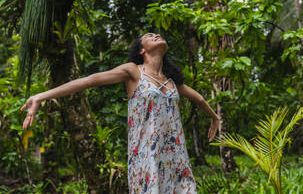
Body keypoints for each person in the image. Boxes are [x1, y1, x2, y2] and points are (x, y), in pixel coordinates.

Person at [21, 32, 221, 194]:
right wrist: (41, 96)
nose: (156, 35)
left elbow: (199, 99)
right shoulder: (134, 71)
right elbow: (91, 80)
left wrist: (214, 117)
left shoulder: (171, 81)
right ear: (142, 50)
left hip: (175, 157)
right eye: (150, 35)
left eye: (158, 34)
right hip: (146, 158)